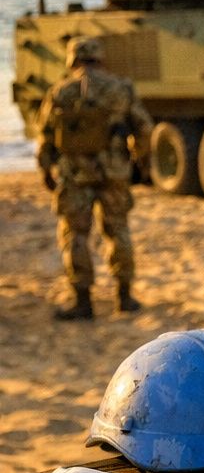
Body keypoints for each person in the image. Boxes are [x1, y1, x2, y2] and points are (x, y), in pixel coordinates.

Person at [36, 35, 153, 319]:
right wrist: (139, 159)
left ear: (72, 59)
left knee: (75, 235)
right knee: (118, 231)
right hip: (114, 172)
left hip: (73, 175)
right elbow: (145, 127)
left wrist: (45, 171)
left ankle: (83, 300)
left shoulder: (60, 91)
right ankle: (124, 297)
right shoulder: (120, 88)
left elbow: (46, 136)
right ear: (99, 58)